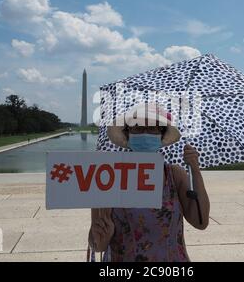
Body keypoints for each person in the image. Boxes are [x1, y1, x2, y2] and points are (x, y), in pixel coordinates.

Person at [88, 104, 210, 262]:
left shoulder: (174, 175)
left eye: (153, 128)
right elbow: (97, 244)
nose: (145, 133)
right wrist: (101, 236)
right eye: (137, 128)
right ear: (127, 134)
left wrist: (194, 169)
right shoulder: (108, 177)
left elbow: (200, 222)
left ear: (161, 135)